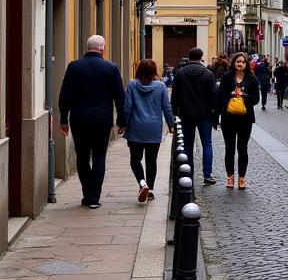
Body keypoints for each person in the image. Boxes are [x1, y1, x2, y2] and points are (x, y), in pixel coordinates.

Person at [57, 34, 126, 209]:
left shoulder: (74, 67)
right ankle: (94, 197)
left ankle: (87, 192)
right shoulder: (111, 68)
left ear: (88, 47)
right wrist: (122, 120)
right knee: (99, 156)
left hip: (79, 119)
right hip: (102, 119)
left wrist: (63, 118)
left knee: (82, 156)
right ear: (102, 48)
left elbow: (65, 95)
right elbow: (119, 97)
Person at [123, 58, 175, 202]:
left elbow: (127, 107)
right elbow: (167, 108)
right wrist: (171, 125)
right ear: (154, 71)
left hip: (135, 128)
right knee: (151, 160)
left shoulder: (132, 85)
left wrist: (123, 123)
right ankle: (150, 189)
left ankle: (142, 183)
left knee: (135, 159)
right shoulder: (161, 87)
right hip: (153, 128)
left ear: (139, 69)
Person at [170, 47, 218, 184]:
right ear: (201, 57)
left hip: (186, 115)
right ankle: (207, 175)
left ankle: (188, 173)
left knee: (188, 146)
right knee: (207, 144)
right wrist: (215, 116)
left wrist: (175, 114)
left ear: (189, 57)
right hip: (205, 115)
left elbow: (175, 96)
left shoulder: (180, 73)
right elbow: (213, 97)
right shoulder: (208, 74)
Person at [214, 51, 260, 190]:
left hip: (245, 119)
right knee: (229, 149)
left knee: (242, 149)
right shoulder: (227, 77)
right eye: (238, 61)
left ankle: (241, 178)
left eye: (243, 62)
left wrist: (244, 95)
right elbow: (220, 96)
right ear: (234, 63)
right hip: (228, 118)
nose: (240, 64)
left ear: (246, 64)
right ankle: (230, 177)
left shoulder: (252, 79)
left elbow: (256, 99)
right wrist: (231, 94)